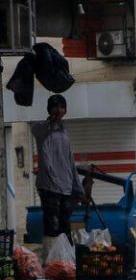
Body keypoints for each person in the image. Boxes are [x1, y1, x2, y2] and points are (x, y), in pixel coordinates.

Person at [32, 94, 85, 250]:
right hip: (49, 188)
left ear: (65, 110)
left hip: (66, 188)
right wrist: (52, 122)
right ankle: (52, 263)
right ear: (49, 109)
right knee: (52, 228)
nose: (58, 110)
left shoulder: (64, 133)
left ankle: (65, 263)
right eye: (55, 106)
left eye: (61, 107)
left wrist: (79, 188)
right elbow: (40, 131)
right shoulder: (41, 129)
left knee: (65, 228)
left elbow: (70, 162)